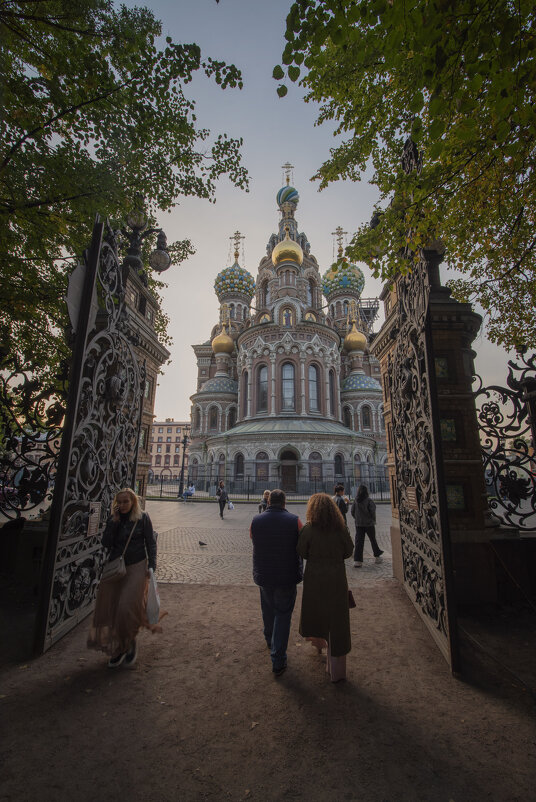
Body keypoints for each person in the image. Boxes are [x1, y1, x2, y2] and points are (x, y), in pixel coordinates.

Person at [87, 487, 158, 668]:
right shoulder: (114, 520)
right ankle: (119, 648)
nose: (123, 505)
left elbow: (151, 542)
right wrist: (114, 523)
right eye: (120, 502)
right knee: (112, 609)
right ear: (116, 504)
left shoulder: (143, 518)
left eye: (127, 501)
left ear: (133, 502)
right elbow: (106, 543)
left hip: (136, 566)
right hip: (116, 567)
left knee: (126, 607)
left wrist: (152, 566)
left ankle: (129, 641)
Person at [297, 493, 354, 682]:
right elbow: (348, 550)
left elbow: (301, 551)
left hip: (315, 580)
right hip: (337, 580)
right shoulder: (340, 528)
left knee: (317, 614)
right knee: (337, 620)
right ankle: (337, 671)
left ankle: (319, 644)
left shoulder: (308, 529)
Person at [250, 489, 303, 677]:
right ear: (284, 503)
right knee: (283, 614)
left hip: (264, 574)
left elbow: (252, 538)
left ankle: (269, 640)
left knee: (267, 608)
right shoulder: (294, 520)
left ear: (268, 500)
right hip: (286, 576)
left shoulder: (256, 520)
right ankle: (278, 659)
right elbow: (303, 545)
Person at [350, 484, 384, 567]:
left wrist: (357, 519)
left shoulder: (356, 501)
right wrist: (372, 520)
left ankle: (357, 561)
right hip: (369, 524)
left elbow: (352, 511)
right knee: (373, 540)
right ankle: (377, 557)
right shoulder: (369, 500)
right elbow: (372, 511)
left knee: (358, 542)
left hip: (359, 524)